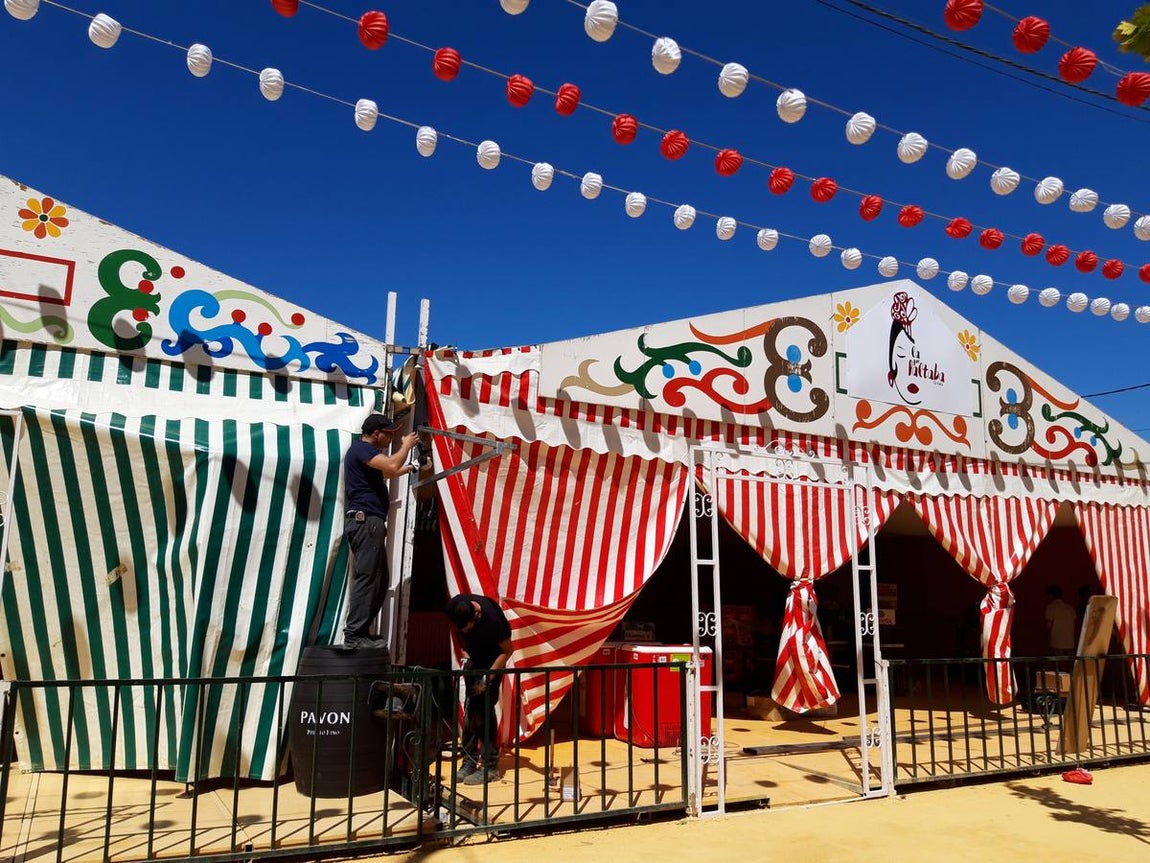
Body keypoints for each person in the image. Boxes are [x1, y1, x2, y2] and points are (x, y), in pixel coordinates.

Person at [341, 414, 418, 649]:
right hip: (366, 522)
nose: (392, 436)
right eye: (389, 432)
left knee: (379, 579)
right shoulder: (361, 449)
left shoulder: (365, 456)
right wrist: (406, 445)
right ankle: (354, 634)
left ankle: (361, 632)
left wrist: (411, 468)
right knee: (368, 578)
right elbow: (392, 465)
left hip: (369, 522)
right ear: (376, 433)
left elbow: (391, 471)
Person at [445, 594, 513, 786]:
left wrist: (487, 678)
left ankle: (490, 766)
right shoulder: (454, 606)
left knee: (483, 711)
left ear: (476, 615)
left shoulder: (493, 620)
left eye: (469, 627)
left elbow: (508, 651)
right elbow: (457, 631)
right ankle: (469, 761)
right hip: (475, 659)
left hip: (493, 660)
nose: (466, 630)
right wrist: (464, 653)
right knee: (470, 711)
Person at [1044, 584, 1077, 658]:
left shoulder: (1050, 607)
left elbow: (1048, 626)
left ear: (1051, 595)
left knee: (1057, 666)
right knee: (1068, 666)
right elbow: (1075, 624)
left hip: (1056, 643)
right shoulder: (1070, 608)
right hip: (1070, 643)